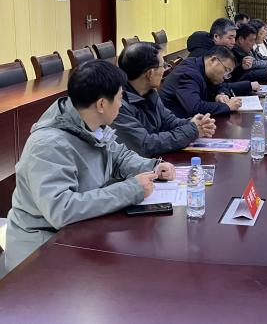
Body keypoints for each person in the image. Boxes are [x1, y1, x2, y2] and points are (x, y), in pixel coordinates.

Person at [4, 60, 176, 272]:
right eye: (120, 97)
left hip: (78, 232)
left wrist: (153, 166)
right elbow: (61, 210)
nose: (121, 104)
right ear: (102, 104)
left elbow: (118, 156)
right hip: (41, 250)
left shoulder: (90, 124)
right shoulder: (48, 145)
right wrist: (132, 189)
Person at [113, 42, 216, 157]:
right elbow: (146, 145)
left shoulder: (149, 92)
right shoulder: (117, 105)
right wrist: (192, 130)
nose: (165, 70)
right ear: (150, 73)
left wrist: (193, 123)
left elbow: (168, 122)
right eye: (163, 65)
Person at [159, 46, 243, 118]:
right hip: (175, 124)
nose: (225, 76)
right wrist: (227, 106)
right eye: (226, 70)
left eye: (228, 73)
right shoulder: (188, 73)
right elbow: (195, 108)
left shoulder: (205, 69)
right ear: (213, 60)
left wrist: (221, 94)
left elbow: (221, 86)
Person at [186, 18, 258, 95]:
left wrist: (241, 68)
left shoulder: (220, 51)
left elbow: (226, 80)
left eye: (234, 37)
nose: (233, 42)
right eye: (230, 38)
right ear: (216, 37)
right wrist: (248, 85)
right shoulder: (203, 55)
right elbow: (217, 87)